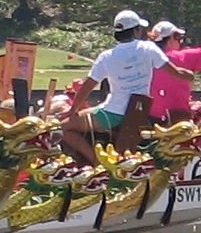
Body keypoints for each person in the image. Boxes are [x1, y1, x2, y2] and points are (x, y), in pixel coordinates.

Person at [65, 9, 170, 159]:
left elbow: (88, 86)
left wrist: (72, 109)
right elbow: (175, 71)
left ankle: (96, 161)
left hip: (114, 113)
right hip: (138, 111)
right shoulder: (149, 48)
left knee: (64, 127)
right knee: (92, 111)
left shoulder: (106, 56)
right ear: (135, 31)